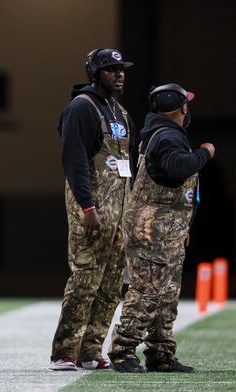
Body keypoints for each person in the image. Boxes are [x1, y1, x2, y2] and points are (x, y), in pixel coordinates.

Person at [108, 83, 214, 373]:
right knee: (147, 290)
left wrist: (182, 227)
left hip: (167, 229)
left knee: (166, 293)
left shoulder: (163, 133)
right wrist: (205, 153)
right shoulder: (167, 136)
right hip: (153, 228)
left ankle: (160, 352)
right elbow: (179, 167)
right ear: (181, 107)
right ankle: (122, 350)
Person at [50, 48, 135, 371]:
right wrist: (88, 206)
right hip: (92, 207)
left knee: (112, 284)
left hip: (119, 213)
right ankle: (64, 352)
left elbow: (130, 166)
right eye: (110, 69)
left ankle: (90, 350)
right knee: (86, 278)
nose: (119, 74)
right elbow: (74, 161)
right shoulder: (81, 109)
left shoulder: (121, 113)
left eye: (120, 68)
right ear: (95, 73)